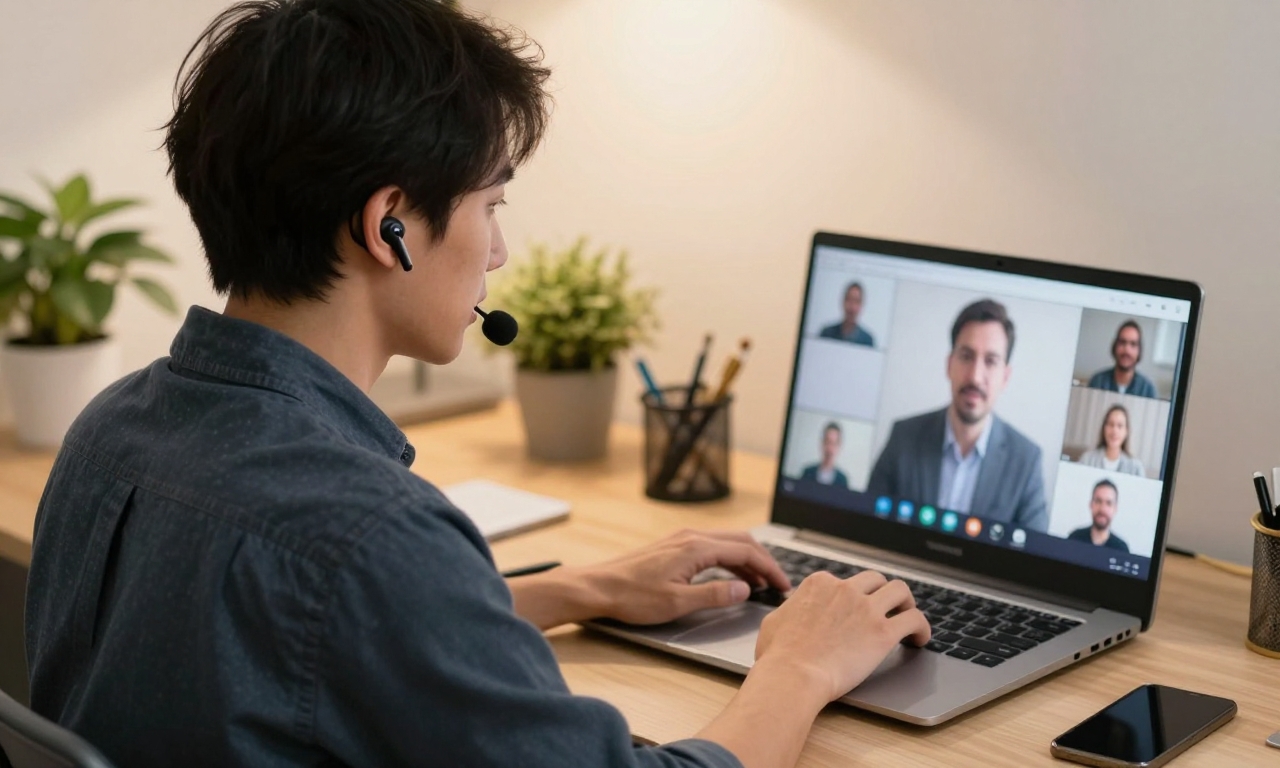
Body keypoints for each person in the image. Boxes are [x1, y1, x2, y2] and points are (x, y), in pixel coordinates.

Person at [22, 3, 930, 768]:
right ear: (392, 227)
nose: (498, 250)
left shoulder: (110, 431)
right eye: (490, 205)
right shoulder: (371, 535)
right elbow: (354, 585)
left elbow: (286, 639)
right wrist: (798, 669)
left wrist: (577, 586)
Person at [866, 299, 1047, 531]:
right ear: (949, 364)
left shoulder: (1027, 460)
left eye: (991, 361)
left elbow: (1032, 557)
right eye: (966, 356)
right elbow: (868, 527)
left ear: (1005, 377)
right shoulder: (903, 436)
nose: (974, 377)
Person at [1087, 320, 1158, 398]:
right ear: (1115, 346)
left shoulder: (1147, 389)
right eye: (1122, 342)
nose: (1127, 350)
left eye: (1133, 344)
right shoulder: (1097, 382)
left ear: (1139, 350)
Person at [1078, 404, 1146, 477]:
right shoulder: (1087, 459)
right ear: (1104, 428)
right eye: (1111, 424)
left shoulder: (1136, 467)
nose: (1114, 431)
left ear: (1126, 431)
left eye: (1120, 426)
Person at [1067, 479, 1130, 552]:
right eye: (1098, 501)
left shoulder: (1121, 549)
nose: (1102, 509)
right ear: (1091, 505)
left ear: (1115, 509)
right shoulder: (1074, 539)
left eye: (1109, 503)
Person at [818, 281, 875, 346]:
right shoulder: (827, 334)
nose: (852, 307)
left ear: (861, 305)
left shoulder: (867, 341)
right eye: (849, 300)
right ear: (843, 302)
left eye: (856, 301)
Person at [799, 422, 850, 488]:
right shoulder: (807, 473)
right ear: (822, 444)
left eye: (834, 444)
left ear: (839, 447)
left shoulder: (843, 481)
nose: (829, 449)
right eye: (827, 442)